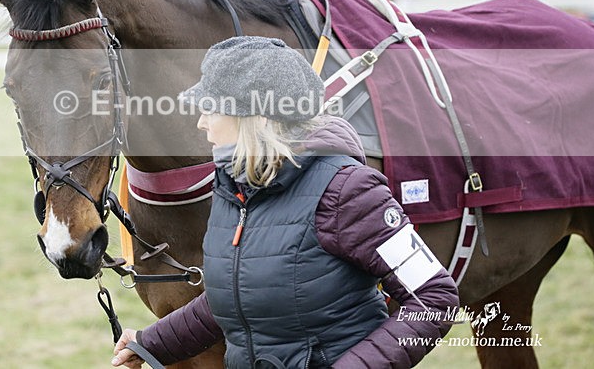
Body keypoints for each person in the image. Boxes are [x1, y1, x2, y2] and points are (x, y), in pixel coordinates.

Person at [111, 36, 459, 369]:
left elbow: (434, 298)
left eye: (210, 109)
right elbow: (235, 296)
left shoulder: (347, 191)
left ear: (256, 117)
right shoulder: (233, 188)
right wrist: (151, 342)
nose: (201, 123)